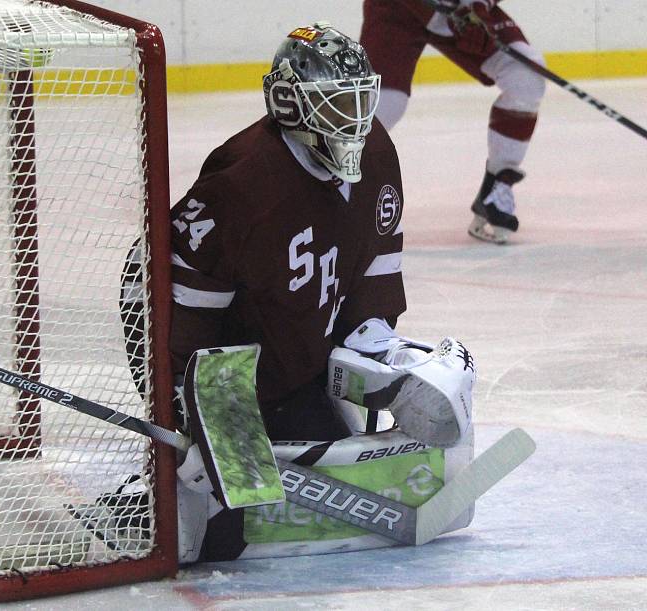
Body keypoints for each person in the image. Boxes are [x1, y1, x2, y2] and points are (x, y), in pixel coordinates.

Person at [110, 22, 475, 563]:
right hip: (201, 341)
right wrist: (184, 414)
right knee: (217, 537)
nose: (352, 120)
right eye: (333, 105)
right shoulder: (242, 185)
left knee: (343, 473)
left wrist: (374, 356)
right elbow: (181, 314)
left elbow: (375, 268)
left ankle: (279, 418)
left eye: (359, 101)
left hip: (287, 340)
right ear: (289, 103)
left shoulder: (375, 150)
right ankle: (147, 499)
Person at [360, 0, 546, 244]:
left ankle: (496, 188)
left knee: (525, 76)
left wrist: (479, 6)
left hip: (460, 9)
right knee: (385, 104)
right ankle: (330, 185)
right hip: (398, 7)